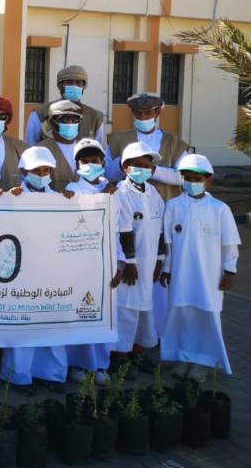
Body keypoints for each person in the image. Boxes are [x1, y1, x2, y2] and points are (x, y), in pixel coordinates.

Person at [159, 154, 240, 383]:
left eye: (197, 179)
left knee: (207, 316)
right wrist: (167, 269)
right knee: (182, 314)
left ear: (208, 181)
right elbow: (168, 243)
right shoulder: (173, 206)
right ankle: (183, 356)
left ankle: (203, 362)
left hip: (209, 276)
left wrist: (230, 271)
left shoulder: (220, 209)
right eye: (187, 178)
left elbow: (229, 243)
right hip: (181, 274)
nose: (192, 182)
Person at [1, 146, 70, 394]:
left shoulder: (60, 198)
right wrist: (3, 198)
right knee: (24, 326)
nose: (41, 175)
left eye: (45, 170)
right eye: (36, 170)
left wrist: (72, 202)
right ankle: (19, 376)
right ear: (23, 172)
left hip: (51, 271)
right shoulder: (13, 197)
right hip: (22, 272)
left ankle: (52, 374)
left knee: (53, 323)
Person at [107, 141, 166, 379]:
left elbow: (160, 228)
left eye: (147, 166)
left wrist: (160, 258)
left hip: (149, 261)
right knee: (126, 309)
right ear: (125, 167)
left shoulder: (153, 193)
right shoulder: (120, 193)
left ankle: (136, 350)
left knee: (144, 309)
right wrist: (129, 263)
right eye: (137, 165)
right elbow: (123, 231)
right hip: (129, 265)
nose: (143, 169)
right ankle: (119, 356)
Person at [64, 138, 113, 385]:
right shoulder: (72, 189)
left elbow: (120, 228)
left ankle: (101, 365)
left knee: (103, 314)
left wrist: (122, 260)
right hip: (79, 262)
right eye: (85, 160)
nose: (91, 164)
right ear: (77, 164)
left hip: (106, 262)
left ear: (103, 161)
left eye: (95, 160)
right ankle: (77, 364)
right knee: (79, 312)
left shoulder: (113, 188)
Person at [106, 92, 189, 201]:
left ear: (157, 112)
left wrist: (151, 170)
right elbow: (106, 174)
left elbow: (184, 176)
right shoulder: (118, 140)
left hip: (164, 202)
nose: (143, 117)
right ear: (133, 112)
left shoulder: (173, 142)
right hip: (127, 203)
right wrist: (123, 166)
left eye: (147, 113)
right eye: (138, 113)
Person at [25, 65, 104, 145]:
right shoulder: (40, 113)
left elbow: (99, 148)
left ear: (83, 87)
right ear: (60, 86)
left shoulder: (95, 117)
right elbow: (30, 145)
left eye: (79, 83)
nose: (74, 86)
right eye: (69, 82)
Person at [38, 99, 84, 192]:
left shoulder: (87, 148)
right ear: (52, 122)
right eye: (64, 119)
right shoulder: (40, 150)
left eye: (75, 119)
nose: (70, 123)